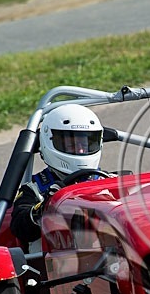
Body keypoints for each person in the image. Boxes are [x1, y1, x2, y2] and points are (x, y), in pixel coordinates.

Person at [10, 103, 107, 243]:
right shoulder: (35, 189)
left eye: (84, 144)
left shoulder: (109, 181)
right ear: (49, 141)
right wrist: (46, 207)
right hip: (58, 259)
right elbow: (20, 228)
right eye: (71, 144)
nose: (80, 151)